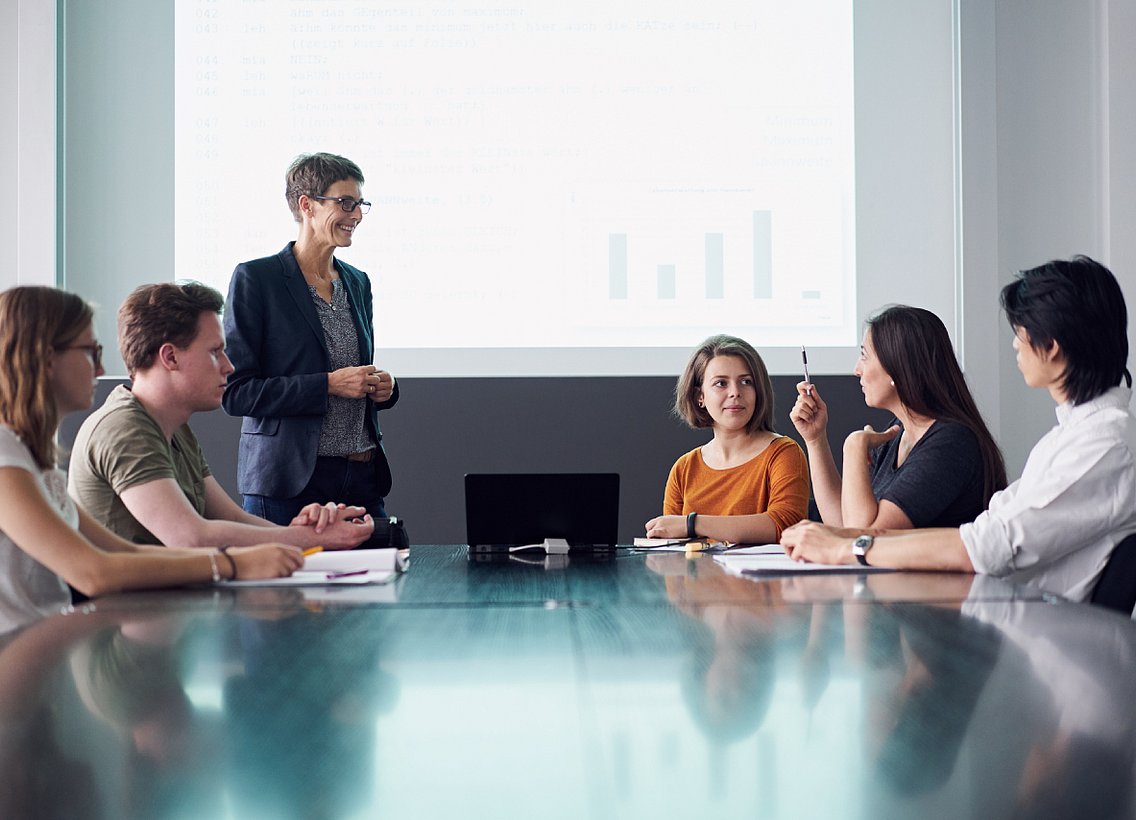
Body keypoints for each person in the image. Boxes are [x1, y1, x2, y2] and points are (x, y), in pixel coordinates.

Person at [781, 256, 1136, 604]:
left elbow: (986, 546)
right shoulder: (1071, 436)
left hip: (1040, 636)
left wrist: (850, 546)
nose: (1015, 344)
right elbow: (987, 528)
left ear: (1051, 346)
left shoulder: (1105, 443)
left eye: (1020, 332)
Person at [0, 286, 301, 628]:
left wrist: (277, 545)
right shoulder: (5, 454)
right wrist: (232, 563)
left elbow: (120, 552)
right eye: (90, 351)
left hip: (45, 650)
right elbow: (92, 572)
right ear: (46, 357)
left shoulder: (31, 456)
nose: (99, 370)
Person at [69, 282, 374, 550]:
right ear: (170, 356)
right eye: (215, 352)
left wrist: (300, 534)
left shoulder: (173, 428)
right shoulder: (126, 429)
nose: (229, 366)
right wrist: (311, 540)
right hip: (123, 612)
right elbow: (191, 538)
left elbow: (232, 518)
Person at [222, 153, 399, 547]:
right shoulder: (257, 279)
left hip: (361, 474)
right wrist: (328, 385)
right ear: (307, 204)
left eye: (360, 204)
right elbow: (237, 392)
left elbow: (352, 371)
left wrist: (383, 388)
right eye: (345, 202)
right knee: (286, 605)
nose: (356, 214)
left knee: (376, 600)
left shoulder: (357, 282)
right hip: (289, 482)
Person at [789, 306, 1006, 529]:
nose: (857, 370)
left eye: (864, 356)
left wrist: (854, 447)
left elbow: (862, 537)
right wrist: (815, 439)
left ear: (897, 366)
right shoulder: (896, 432)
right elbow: (843, 524)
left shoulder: (951, 443)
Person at [645, 334, 809, 543]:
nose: (735, 392)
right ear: (699, 397)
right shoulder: (684, 468)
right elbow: (669, 542)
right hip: (695, 576)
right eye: (721, 383)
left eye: (746, 382)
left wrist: (692, 523)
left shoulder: (783, 453)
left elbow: (786, 526)